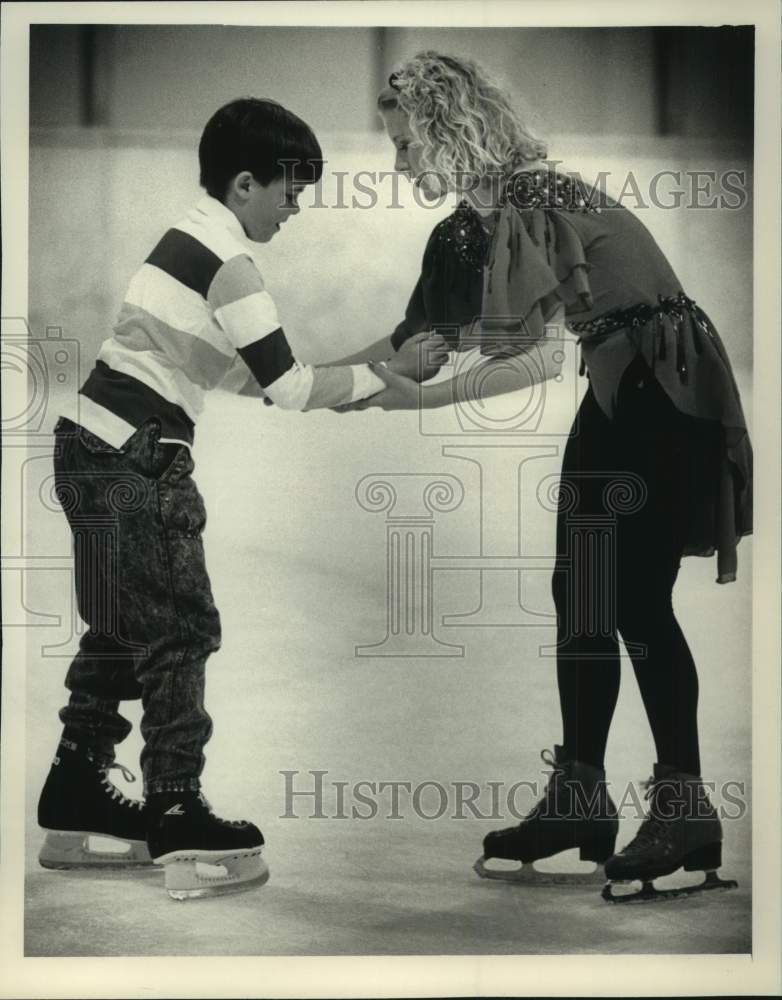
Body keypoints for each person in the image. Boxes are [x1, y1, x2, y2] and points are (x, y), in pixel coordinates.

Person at [346, 51, 752, 902]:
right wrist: (305, 381)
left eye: (407, 142)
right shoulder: (474, 221)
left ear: (449, 130)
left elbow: (532, 357)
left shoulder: (534, 200)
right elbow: (419, 342)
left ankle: (684, 807)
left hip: (662, 386)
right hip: (618, 392)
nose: (399, 163)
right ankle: (580, 799)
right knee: (583, 593)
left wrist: (414, 403)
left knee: (635, 600)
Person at [37, 97, 448, 900]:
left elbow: (236, 374)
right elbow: (289, 386)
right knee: (181, 629)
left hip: (85, 443)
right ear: (246, 183)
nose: (297, 208)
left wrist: (368, 374)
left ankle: (78, 782)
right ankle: (175, 803)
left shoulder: (186, 240)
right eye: (291, 191)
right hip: (136, 455)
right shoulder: (231, 264)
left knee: (122, 625)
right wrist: (382, 377)